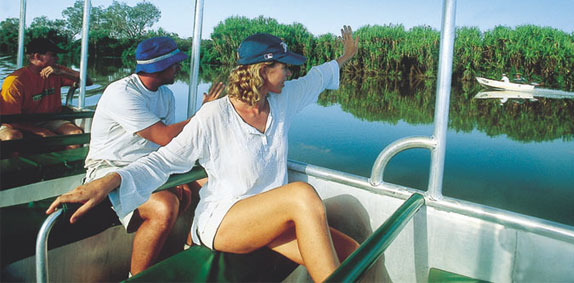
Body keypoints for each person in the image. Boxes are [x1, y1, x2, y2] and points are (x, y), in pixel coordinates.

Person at [48, 26, 360, 282]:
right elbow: (164, 159)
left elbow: (316, 78)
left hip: (269, 219)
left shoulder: (283, 100)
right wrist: (110, 180)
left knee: (352, 251)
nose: (290, 74)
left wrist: (345, 57)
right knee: (301, 195)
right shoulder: (214, 115)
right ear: (264, 70)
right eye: (285, 67)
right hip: (224, 221)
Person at [83, 36, 223, 276]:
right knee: (165, 207)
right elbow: (165, 136)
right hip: (110, 168)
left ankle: (189, 251)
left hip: (149, 165)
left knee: (214, 185)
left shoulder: (165, 95)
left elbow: (170, 147)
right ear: (159, 66)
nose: (179, 68)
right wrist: (204, 114)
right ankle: (137, 279)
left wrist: (179, 176)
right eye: (175, 63)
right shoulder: (122, 93)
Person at [0, 37, 92, 141]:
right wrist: (41, 131)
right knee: (12, 137)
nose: (57, 58)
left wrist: (63, 73)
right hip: (19, 122)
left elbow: (88, 82)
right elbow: (10, 119)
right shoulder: (15, 82)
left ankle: (64, 157)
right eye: (53, 55)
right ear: (37, 56)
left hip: (49, 119)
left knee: (75, 133)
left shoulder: (57, 71)